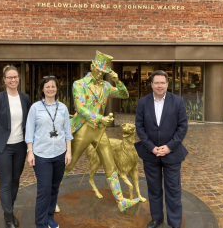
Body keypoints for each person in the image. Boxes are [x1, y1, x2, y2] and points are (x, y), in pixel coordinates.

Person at [60, 50, 139, 212]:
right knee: (69, 165)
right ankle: (50, 197)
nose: (100, 74)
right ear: (92, 67)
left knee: (110, 166)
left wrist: (117, 82)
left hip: (99, 132)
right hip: (83, 129)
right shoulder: (79, 84)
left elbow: (124, 95)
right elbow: (80, 108)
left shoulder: (105, 85)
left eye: (103, 72)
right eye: (98, 70)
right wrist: (99, 118)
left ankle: (121, 201)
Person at [135, 70, 188, 228]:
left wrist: (169, 147)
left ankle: (174, 222)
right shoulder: (143, 102)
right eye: (156, 83)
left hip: (172, 154)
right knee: (154, 188)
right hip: (151, 154)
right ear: (151, 84)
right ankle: (157, 218)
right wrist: (151, 147)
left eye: (162, 83)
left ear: (167, 84)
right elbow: (140, 127)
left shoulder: (178, 101)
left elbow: (182, 126)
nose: (159, 86)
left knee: (173, 190)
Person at [0, 65, 31, 228]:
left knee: (15, 181)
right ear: (4, 80)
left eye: (15, 77)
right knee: (5, 182)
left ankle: (8, 208)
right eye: (10, 77)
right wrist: (0, 137)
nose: (13, 80)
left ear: (19, 78)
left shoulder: (25, 98)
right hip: (2, 148)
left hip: (19, 146)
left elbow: (28, 123)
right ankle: (9, 216)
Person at [25, 76, 73, 228]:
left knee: (54, 188)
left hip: (59, 154)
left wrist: (68, 152)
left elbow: (67, 132)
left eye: (53, 86)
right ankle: (41, 223)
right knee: (44, 190)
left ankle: (50, 218)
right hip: (41, 155)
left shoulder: (63, 108)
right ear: (42, 89)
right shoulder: (35, 108)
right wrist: (30, 152)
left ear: (57, 89)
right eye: (47, 86)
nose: (50, 89)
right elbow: (29, 131)